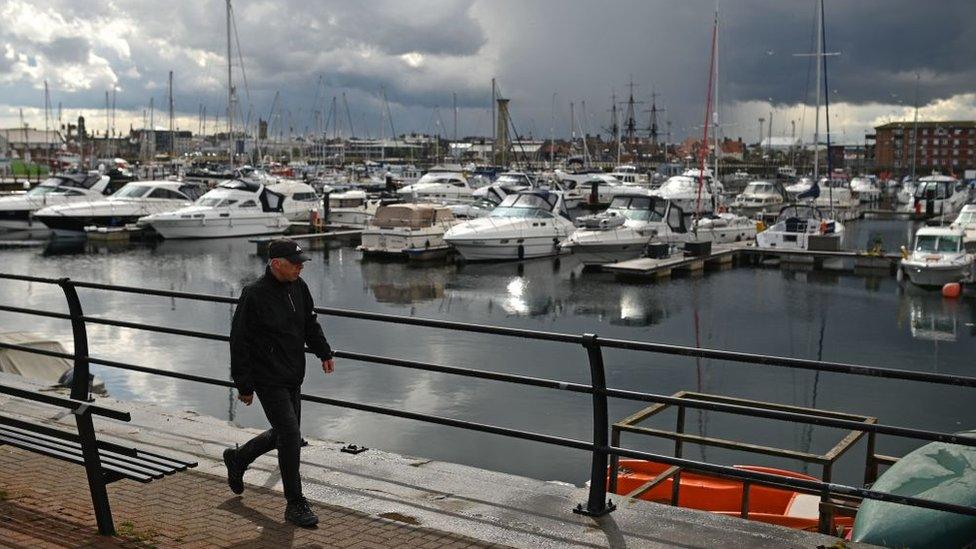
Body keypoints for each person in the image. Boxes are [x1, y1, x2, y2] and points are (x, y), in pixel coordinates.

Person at [224, 238, 335, 527]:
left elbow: (310, 323)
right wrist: (244, 384)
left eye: (301, 262)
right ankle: (295, 503)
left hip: (292, 374)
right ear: (276, 264)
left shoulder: (299, 288)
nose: (300, 267)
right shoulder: (254, 294)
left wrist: (323, 351)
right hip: (266, 377)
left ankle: (238, 458)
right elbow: (239, 341)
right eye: (295, 263)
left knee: (286, 433)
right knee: (290, 435)